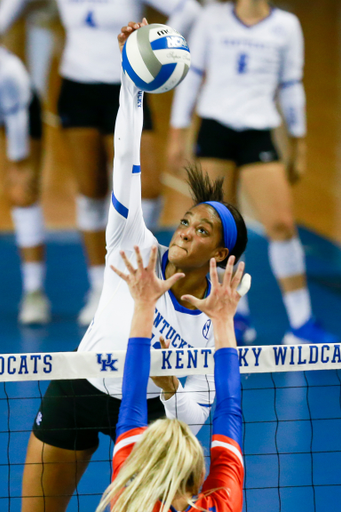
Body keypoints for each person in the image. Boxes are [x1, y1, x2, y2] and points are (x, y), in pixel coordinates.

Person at [20, 19, 248, 512]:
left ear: (220, 255)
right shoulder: (132, 244)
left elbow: (193, 418)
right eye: (186, 220)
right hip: (81, 383)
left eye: (201, 230)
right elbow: (125, 156)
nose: (185, 230)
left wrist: (167, 388)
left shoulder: (216, 326)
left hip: (146, 415)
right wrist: (131, 83)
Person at [168, 0, 339, 345]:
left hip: (259, 132)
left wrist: (299, 143)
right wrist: (177, 130)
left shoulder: (286, 26)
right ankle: (233, 316)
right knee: (217, 232)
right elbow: (193, 74)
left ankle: (302, 322)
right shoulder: (211, 18)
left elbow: (291, 85)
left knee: (281, 224)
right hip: (215, 129)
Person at [54, 0, 202, 326]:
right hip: (77, 89)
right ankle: (100, 287)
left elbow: (189, 9)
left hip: (126, 85)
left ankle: (139, 276)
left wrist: (154, 43)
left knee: (148, 187)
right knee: (90, 191)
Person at [96, 247, 248, 512]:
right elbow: (229, 410)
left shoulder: (130, 499)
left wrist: (143, 305)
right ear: (200, 475)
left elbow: (130, 402)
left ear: (144, 463)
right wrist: (224, 319)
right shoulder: (220, 505)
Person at [0, 43, 50, 324]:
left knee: (21, 192)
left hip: (17, 112)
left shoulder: (9, 75)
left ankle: (34, 292)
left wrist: (18, 166)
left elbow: (17, 136)